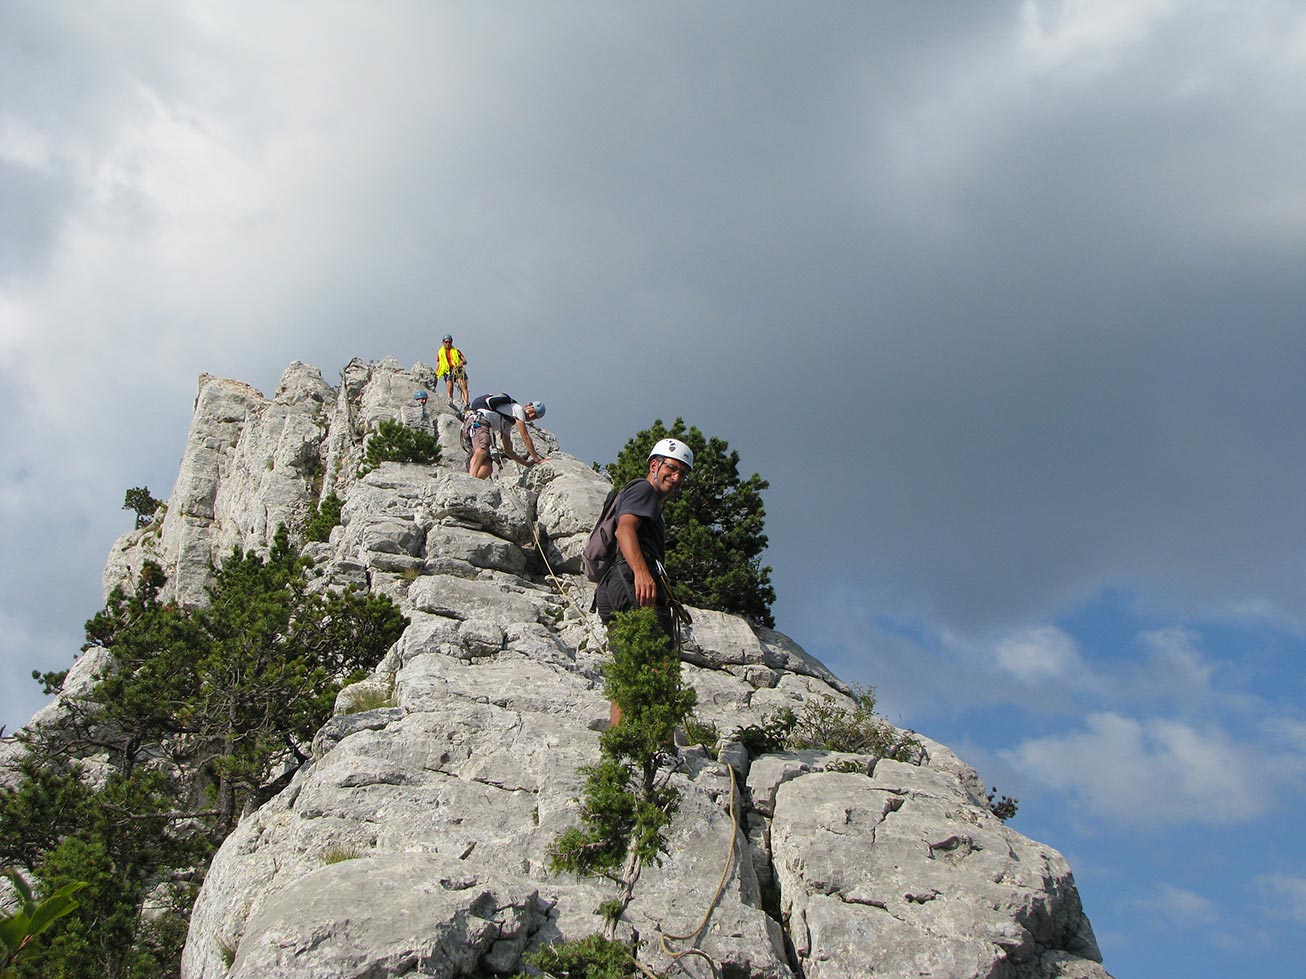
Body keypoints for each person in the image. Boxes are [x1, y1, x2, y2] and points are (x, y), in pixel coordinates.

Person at [594, 438, 693, 726]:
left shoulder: (635, 493)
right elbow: (625, 529)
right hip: (632, 582)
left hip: (612, 587)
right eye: (672, 469)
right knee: (661, 666)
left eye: (682, 475)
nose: (676, 478)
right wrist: (642, 572)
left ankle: (620, 742)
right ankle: (659, 748)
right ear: (654, 465)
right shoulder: (643, 490)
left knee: (629, 667)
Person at [462, 393, 547, 478]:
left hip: (475, 426)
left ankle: (473, 485)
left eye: (534, 417)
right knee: (482, 449)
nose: (531, 416)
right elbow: (525, 437)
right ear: (527, 406)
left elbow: (508, 450)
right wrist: (537, 459)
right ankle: (471, 478)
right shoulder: (518, 409)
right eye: (532, 411)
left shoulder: (508, 422)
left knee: (487, 467)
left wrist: (527, 464)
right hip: (479, 423)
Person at [436, 335, 471, 408]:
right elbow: (439, 363)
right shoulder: (440, 352)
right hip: (447, 370)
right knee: (449, 386)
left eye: (449, 342)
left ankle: (466, 404)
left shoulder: (456, 351)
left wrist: (460, 363)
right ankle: (450, 401)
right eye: (446, 342)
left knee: (463, 386)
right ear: (443, 342)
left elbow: (465, 361)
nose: (448, 343)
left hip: (457, 369)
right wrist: (436, 373)